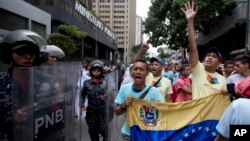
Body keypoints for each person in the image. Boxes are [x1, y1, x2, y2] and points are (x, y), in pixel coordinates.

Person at [0, 29, 45, 141]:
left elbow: (57, 108)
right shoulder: (1, 82)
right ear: (8, 53)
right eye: (21, 52)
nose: (28, 56)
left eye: (31, 53)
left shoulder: (45, 80)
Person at [181, 1, 227, 99]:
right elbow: (193, 48)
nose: (210, 58)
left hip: (213, 114)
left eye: (214, 57)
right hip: (196, 114)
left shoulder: (223, 80)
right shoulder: (197, 69)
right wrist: (190, 22)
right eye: (208, 55)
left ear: (219, 63)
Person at [114, 59, 164, 140]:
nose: (138, 72)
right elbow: (116, 112)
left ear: (147, 73)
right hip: (128, 135)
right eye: (135, 69)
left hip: (147, 135)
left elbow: (163, 112)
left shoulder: (154, 92)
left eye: (142, 69)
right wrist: (124, 106)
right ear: (131, 72)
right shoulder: (124, 89)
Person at [80, 60, 107, 141]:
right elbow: (82, 95)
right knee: (93, 133)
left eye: (98, 71)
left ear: (101, 72)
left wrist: (106, 97)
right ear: (91, 71)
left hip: (103, 113)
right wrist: (82, 105)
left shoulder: (106, 82)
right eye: (94, 70)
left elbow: (111, 95)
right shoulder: (86, 83)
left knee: (105, 133)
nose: (96, 72)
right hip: (91, 113)